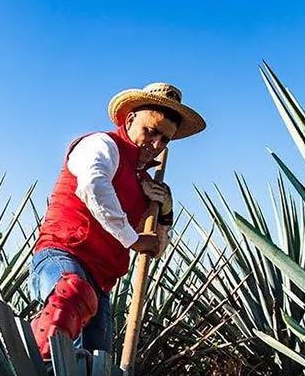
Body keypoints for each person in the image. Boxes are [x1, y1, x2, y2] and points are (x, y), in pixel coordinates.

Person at [29, 82, 206, 358]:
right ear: (131, 119)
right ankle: (30, 362)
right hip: (63, 256)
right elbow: (94, 185)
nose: (156, 145)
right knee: (71, 296)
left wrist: (165, 210)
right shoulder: (101, 145)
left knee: (96, 370)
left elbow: (155, 248)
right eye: (151, 131)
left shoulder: (146, 186)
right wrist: (133, 239)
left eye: (165, 139)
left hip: (99, 287)